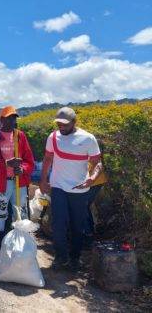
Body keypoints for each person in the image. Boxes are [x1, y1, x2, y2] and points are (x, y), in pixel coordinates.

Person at [40, 107, 103, 272]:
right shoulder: (53, 137)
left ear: (74, 122)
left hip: (79, 189)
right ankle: (61, 257)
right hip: (58, 186)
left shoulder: (88, 139)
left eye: (65, 124)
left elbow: (98, 162)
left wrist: (92, 178)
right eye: (59, 123)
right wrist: (43, 180)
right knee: (58, 224)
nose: (61, 127)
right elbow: (47, 158)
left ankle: (75, 258)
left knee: (77, 226)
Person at [0, 106, 35, 248]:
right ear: (2, 120)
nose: (12, 121)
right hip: (1, 185)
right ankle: (2, 249)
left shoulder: (20, 136)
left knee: (21, 215)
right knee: (0, 215)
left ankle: (22, 250)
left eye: (14, 118)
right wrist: (6, 164)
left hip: (19, 184)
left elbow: (30, 161)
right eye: (9, 118)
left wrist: (22, 169)